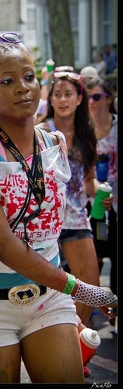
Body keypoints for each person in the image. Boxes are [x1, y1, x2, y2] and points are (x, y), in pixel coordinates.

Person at [0, 33, 117, 383]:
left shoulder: (55, 141)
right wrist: (83, 288)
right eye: (7, 81)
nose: (24, 87)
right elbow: (4, 244)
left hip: (48, 300)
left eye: (28, 76)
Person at [36, 68, 108, 327]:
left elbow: (88, 183)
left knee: (91, 289)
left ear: (80, 99)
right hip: (41, 225)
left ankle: (79, 350)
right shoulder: (38, 133)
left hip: (76, 221)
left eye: (69, 94)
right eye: (58, 94)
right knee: (41, 293)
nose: (63, 100)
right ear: (51, 100)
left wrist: (102, 192)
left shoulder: (87, 136)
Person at [85, 78, 117, 302]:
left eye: (96, 97)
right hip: (89, 203)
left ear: (109, 98)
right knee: (91, 257)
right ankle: (93, 305)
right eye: (88, 97)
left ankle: (114, 309)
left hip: (115, 204)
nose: (91, 102)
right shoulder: (82, 129)